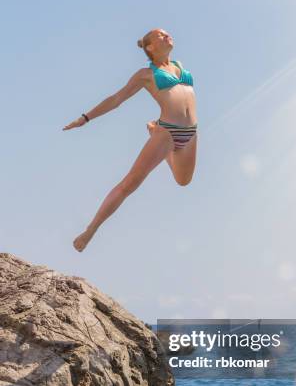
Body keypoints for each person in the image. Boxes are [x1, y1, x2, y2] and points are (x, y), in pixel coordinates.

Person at [62, 28, 198, 252]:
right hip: (168, 132)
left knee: (184, 181)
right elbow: (116, 99)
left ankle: (161, 145)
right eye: (160, 35)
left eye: (167, 33)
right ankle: (90, 230)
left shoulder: (181, 67)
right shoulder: (146, 74)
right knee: (130, 183)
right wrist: (85, 118)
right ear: (150, 47)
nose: (167, 36)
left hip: (191, 133)